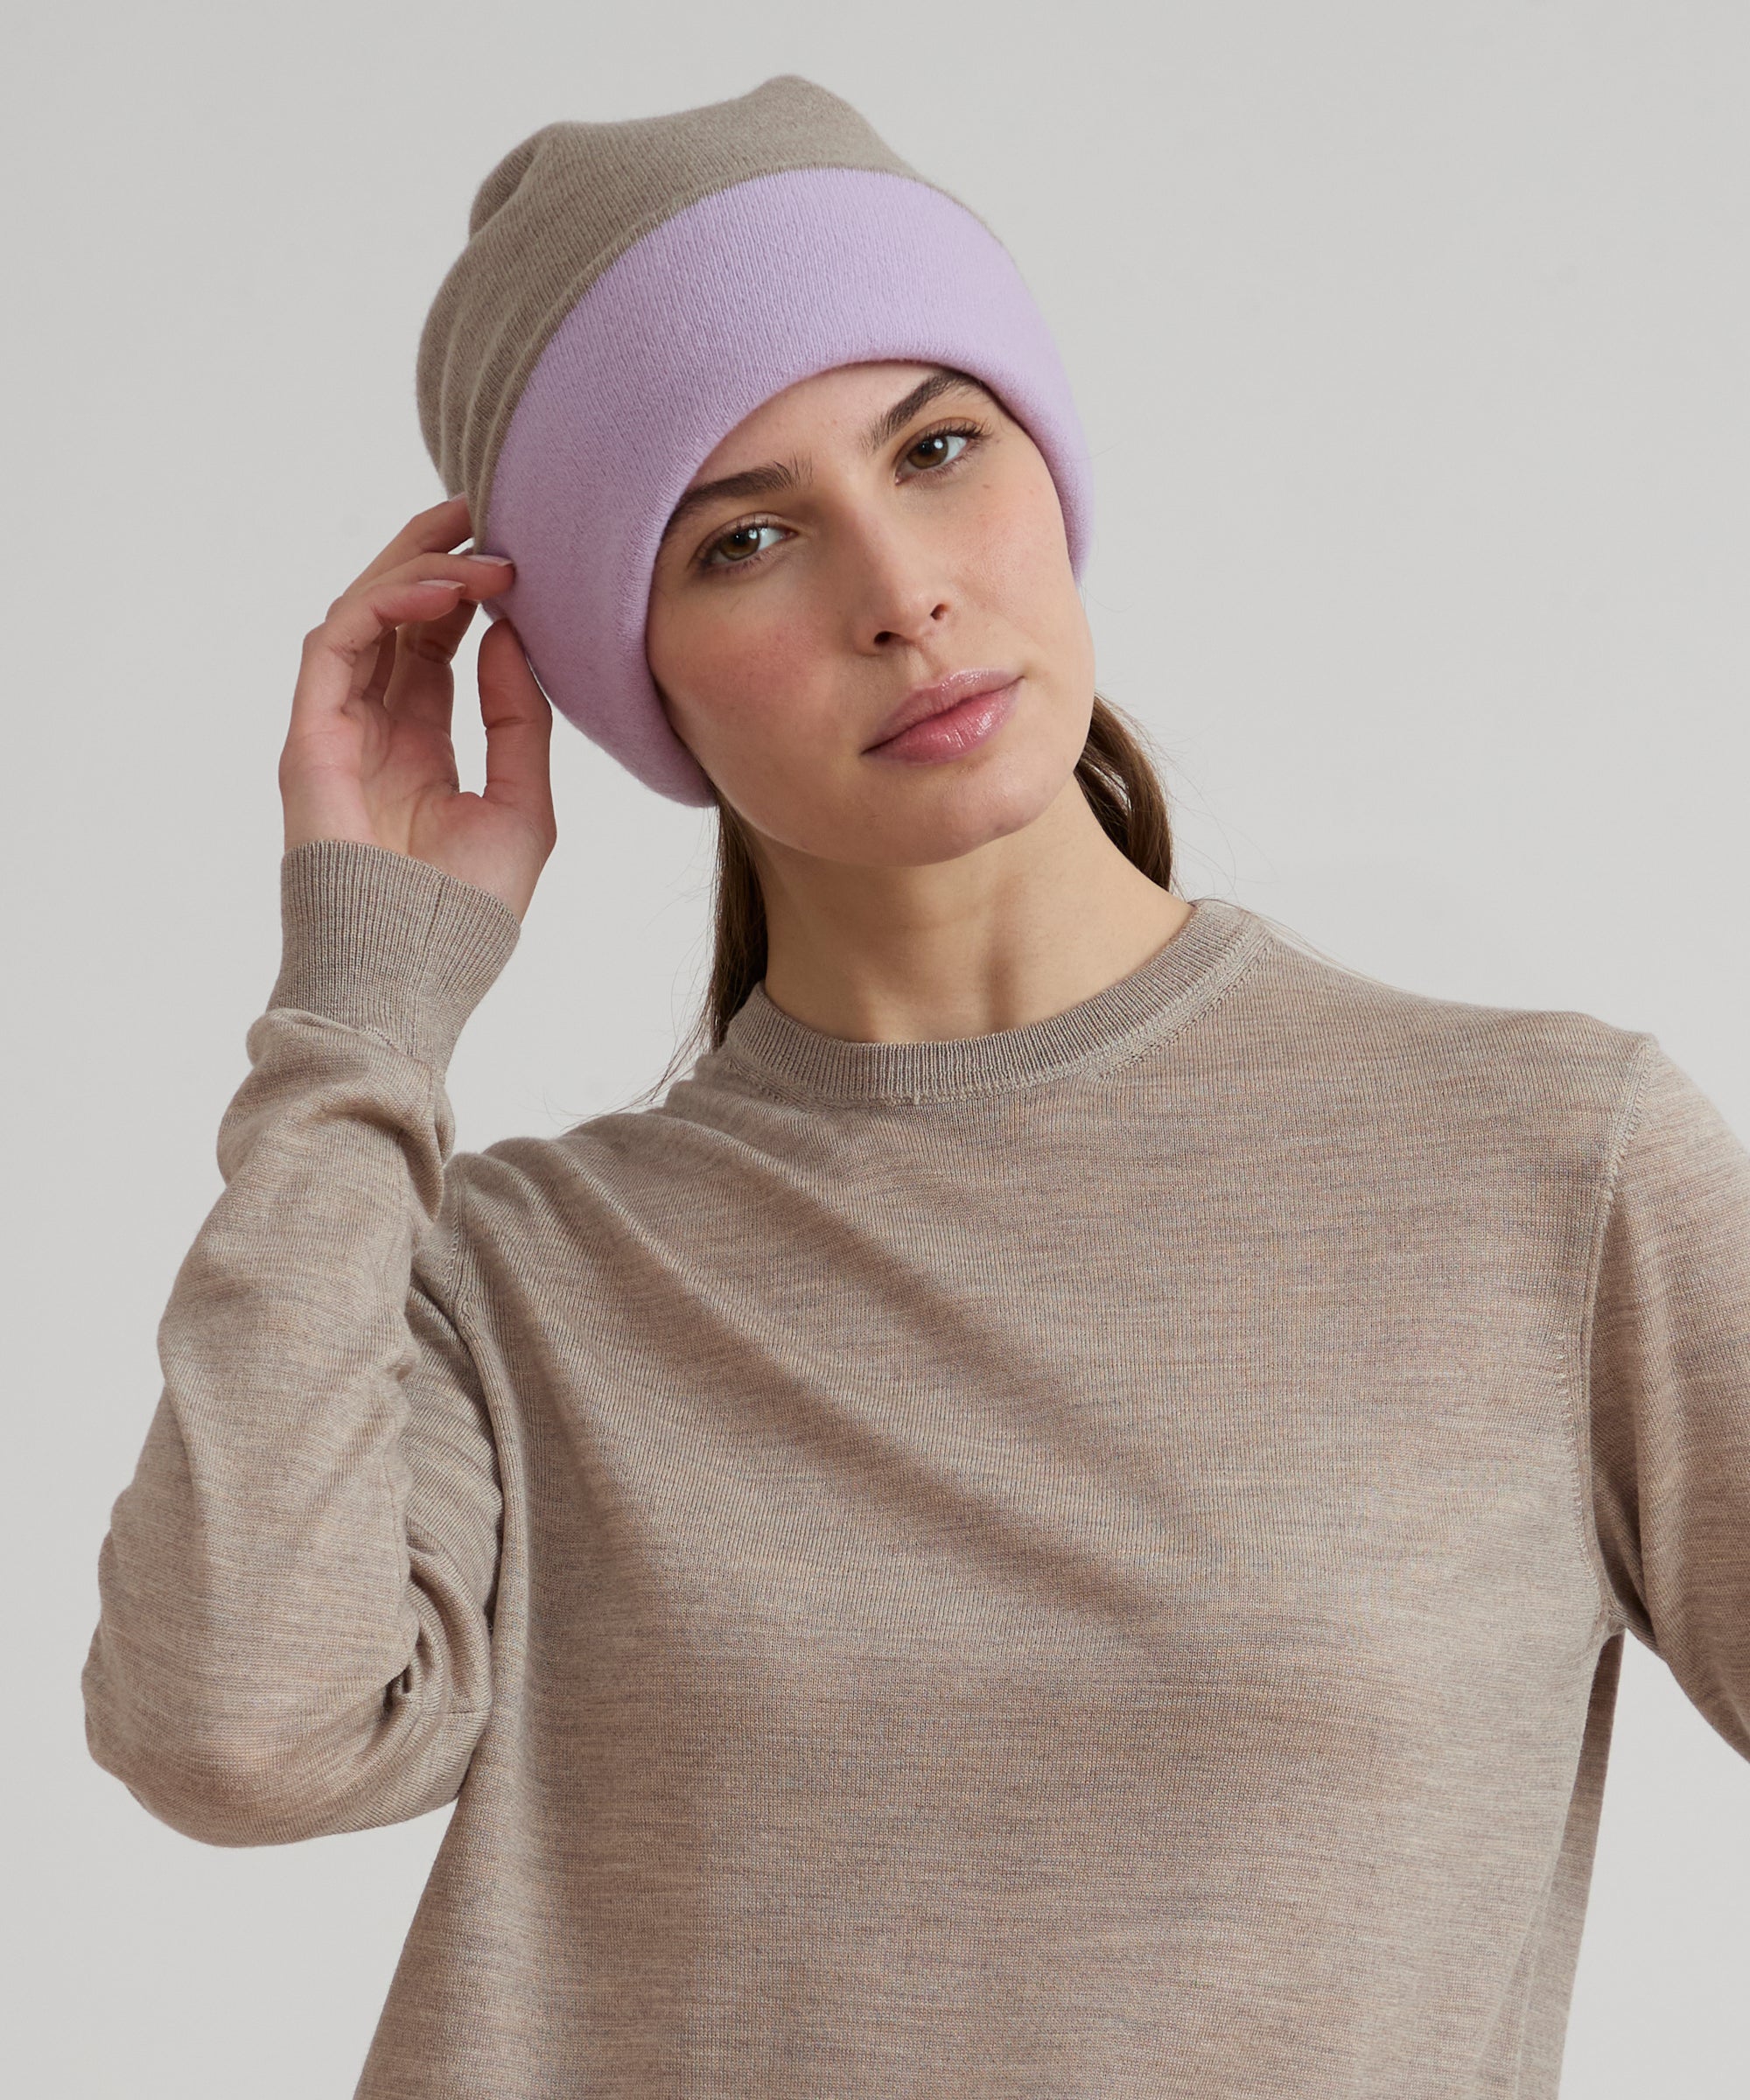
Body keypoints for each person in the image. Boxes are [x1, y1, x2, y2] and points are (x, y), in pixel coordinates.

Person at [81, 73, 1750, 2100]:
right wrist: (365, 1016)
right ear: (619, 667)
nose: (898, 591)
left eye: (937, 447)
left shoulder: (1548, 1174)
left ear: (1048, 468)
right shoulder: (518, 1282)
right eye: (746, 538)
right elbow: (234, 1735)